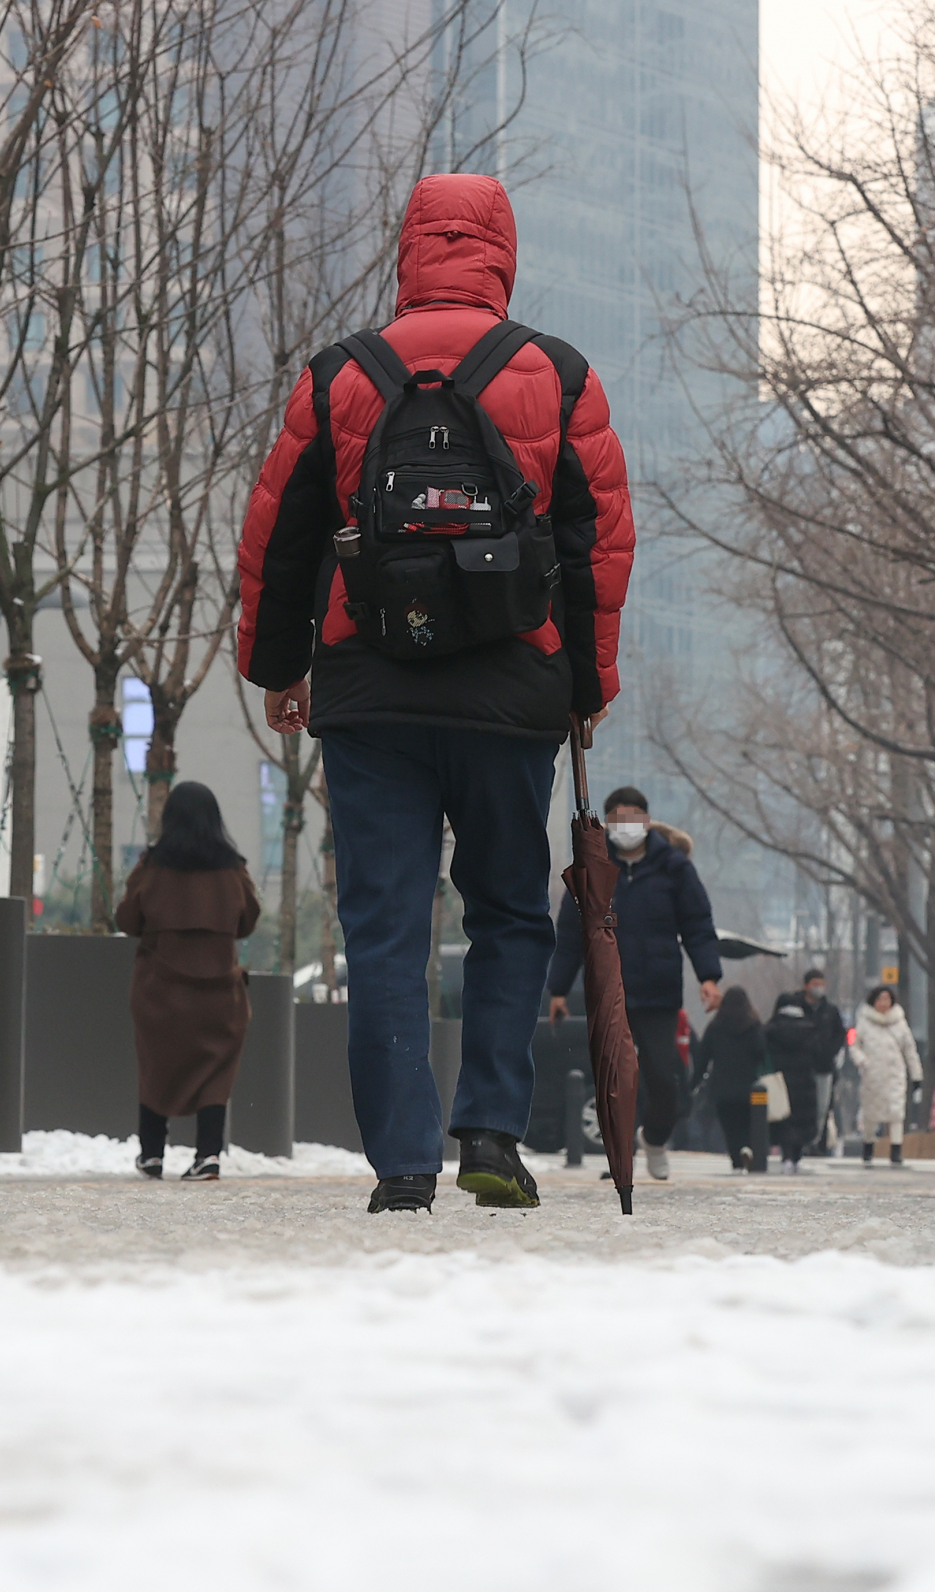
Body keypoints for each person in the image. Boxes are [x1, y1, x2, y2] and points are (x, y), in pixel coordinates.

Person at [236, 173, 633, 1214]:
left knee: (383, 928)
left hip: (370, 694)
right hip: (512, 695)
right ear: (502, 251)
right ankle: (492, 1130)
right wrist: (588, 685)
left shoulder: (340, 376)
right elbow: (599, 548)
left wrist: (279, 667)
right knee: (508, 914)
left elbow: (275, 537)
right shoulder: (558, 375)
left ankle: (402, 1160)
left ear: (407, 250)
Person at [548, 789, 721, 1181]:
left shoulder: (674, 868)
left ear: (646, 820)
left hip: (659, 993)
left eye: (633, 817)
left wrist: (708, 977)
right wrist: (558, 989)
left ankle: (655, 1139)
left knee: (665, 1079)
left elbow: (697, 925)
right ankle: (620, 1155)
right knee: (614, 1081)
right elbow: (570, 932)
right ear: (607, 823)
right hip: (609, 989)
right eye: (617, 818)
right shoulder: (592, 868)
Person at [114, 782, 260, 1182]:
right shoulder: (233, 869)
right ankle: (208, 1155)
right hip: (219, 993)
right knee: (215, 1072)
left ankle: (152, 1154)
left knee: (157, 1065)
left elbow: (127, 920)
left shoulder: (153, 866)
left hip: (160, 989)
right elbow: (248, 920)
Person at [691, 986, 766, 1171]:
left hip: (722, 1088)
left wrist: (692, 1084)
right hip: (749, 1086)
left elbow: (702, 1058)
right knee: (748, 1123)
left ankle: (736, 1159)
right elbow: (762, 1053)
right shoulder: (754, 1026)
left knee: (730, 1127)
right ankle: (747, 1148)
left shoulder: (715, 1027)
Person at [853, 984, 922, 1166]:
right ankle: (868, 1145)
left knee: (896, 1112)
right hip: (872, 1075)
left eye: (887, 999)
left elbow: (910, 1050)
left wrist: (916, 1075)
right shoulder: (864, 1023)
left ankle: (896, 1149)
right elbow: (854, 1045)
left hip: (894, 1074)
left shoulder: (900, 1023)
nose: (883, 1003)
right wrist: (861, 1060)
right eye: (880, 999)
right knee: (870, 1113)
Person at [764, 987, 820, 1171]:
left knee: (784, 1119)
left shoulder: (770, 1030)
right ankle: (796, 1157)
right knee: (801, 1119)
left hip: (780, 1082)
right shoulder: (810, 1028)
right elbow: (821, 1054)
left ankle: (786, 1156)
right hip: (805, 1082)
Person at [798, 968, 846, 1152]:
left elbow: (840, 1034)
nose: (819, 988)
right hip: (801, 1066)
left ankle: (817, 1143)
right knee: (802, 1106)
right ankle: (802, 1143)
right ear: (806, 986)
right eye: (814, 984)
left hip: (824, 1066)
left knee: (822, 1107)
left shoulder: (830, 1011)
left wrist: (830, 1051)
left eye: (821, 984)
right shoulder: (798, 1007)